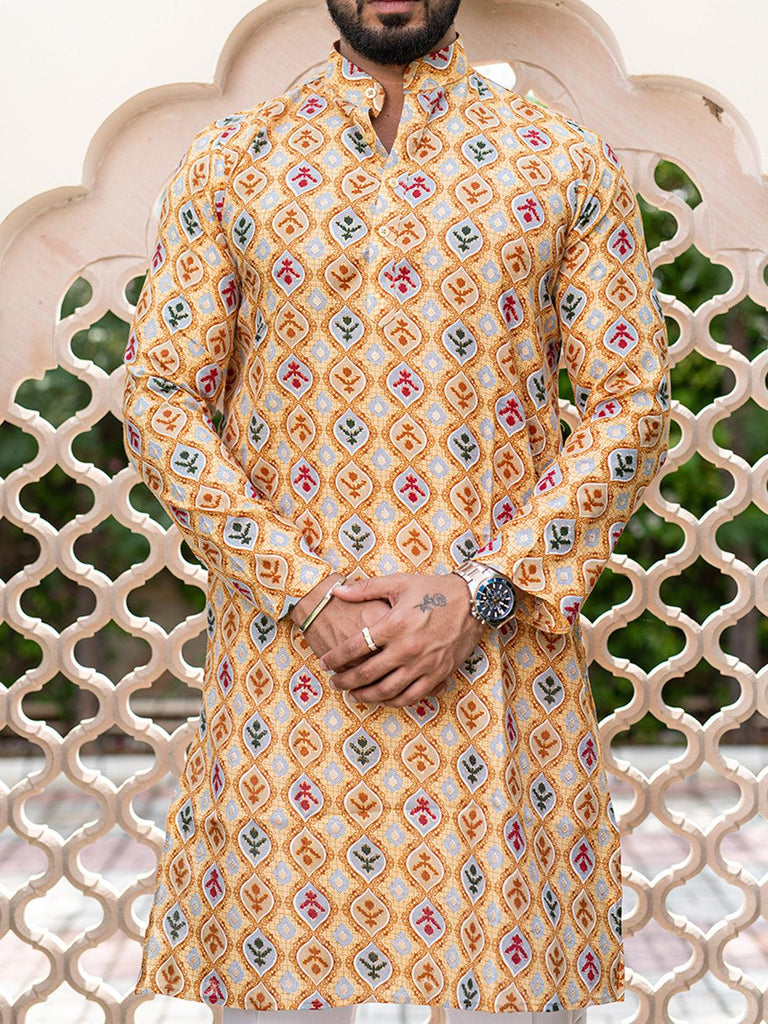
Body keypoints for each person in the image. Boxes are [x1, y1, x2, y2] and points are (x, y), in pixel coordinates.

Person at [122, 0, 670, 1021]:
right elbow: (159, 401)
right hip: (292, 676)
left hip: (494, 669)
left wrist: (483, 593)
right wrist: (303, 589)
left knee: (504, 994)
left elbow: (631, 405)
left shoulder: (560, 160)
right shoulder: (232, 162)